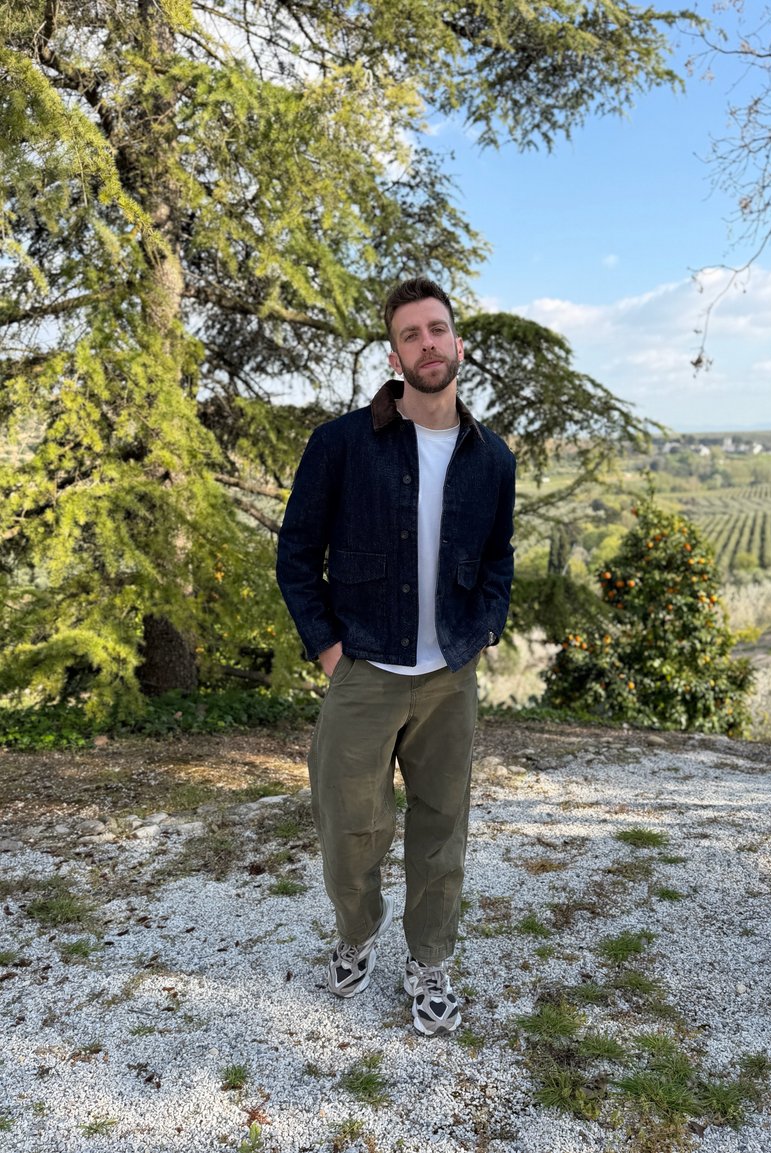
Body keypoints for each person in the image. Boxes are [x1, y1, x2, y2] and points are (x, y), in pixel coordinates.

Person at [276, 276, 515, 1036]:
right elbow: (295, 555)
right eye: (411, 334)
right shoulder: (343, 444)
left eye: (437, 329)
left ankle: (431, 959)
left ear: (458, 343)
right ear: (394, 353)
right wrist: (330, 652)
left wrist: (482, 631)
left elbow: (499, 558)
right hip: (364, 672)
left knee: (443, 828)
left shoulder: (491, 457)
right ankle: (358, 930)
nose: (427, 344)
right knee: (349, 826)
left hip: (450, 678)